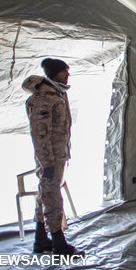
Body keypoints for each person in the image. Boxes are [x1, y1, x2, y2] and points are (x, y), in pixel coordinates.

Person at [22, 58, 83, 255]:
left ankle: (40, 239)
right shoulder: (44, 98)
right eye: (65, 71)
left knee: (45, 194)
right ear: (55, 72)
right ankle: (59, 242)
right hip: (50, 158)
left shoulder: (57, 93)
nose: (68, 74)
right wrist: (47, 162)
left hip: (57, 156)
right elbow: (40, 134)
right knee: (52, 197)